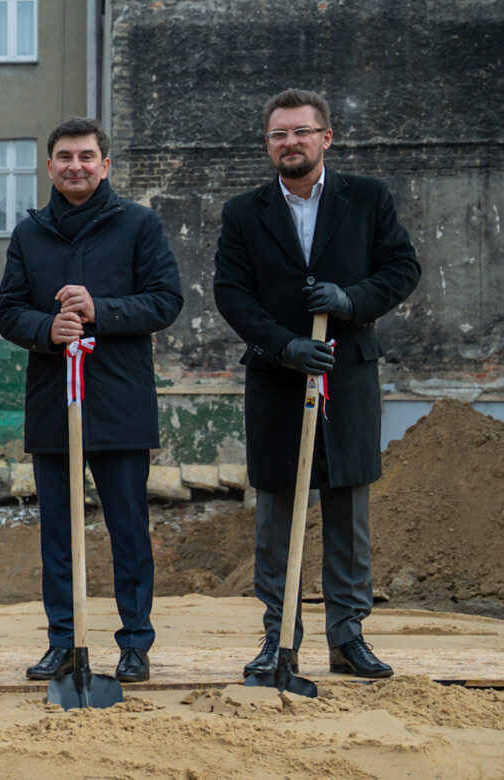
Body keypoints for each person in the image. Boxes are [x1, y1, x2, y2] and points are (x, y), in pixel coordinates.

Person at [214, 88, 420, 679]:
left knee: (348, 506)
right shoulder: (244, 212)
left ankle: (347, 635)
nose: (290, 143)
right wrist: (283, 346)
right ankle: (278, 635)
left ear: (325, 138)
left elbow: (402, 268)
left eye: (301, 132)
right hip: (278, 382)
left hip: (346, 375)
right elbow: (232, 293)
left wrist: (351, 300)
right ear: (268, 144)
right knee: (276, 510)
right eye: (279, 134)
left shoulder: (368, 200)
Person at [0, 117, 183, 684]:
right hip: (55, 401)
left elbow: (166, 300)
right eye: (64, 157)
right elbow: (7, 310)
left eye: (86, 156)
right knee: (58, 532)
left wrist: (102, 309)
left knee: (128, 530)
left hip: (120, 401)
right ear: (49, 167)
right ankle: (64, 641)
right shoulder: (29, 235)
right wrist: (45, 328)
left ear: (105, 165)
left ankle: (134, 644)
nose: (75, 166)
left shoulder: (138, 225)